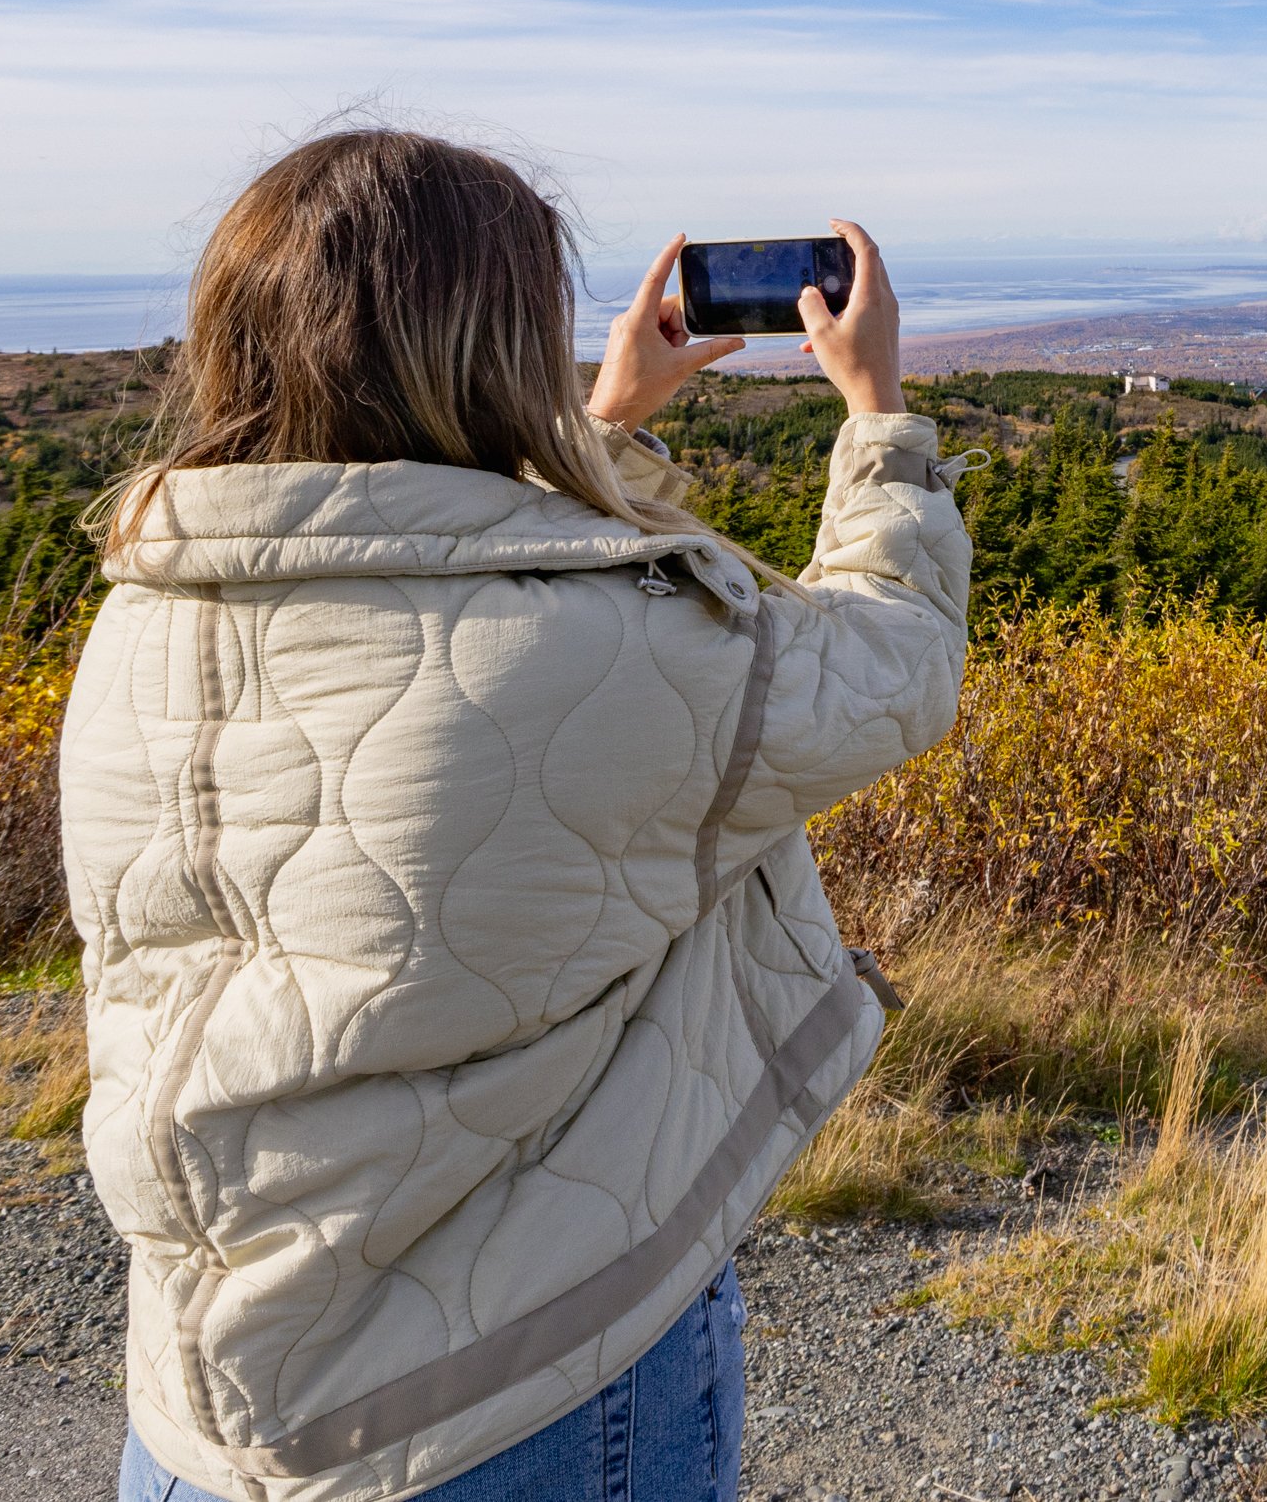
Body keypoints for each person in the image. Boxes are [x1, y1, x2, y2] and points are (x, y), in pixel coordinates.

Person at [61, 131, 968, 1502]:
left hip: (206, 1410)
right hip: (511, 1390)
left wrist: (607, 431)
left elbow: (429, 587)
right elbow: (889, 667)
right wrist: (878, 421)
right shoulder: (590, 646)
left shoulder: (145, 615)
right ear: (489, 345)